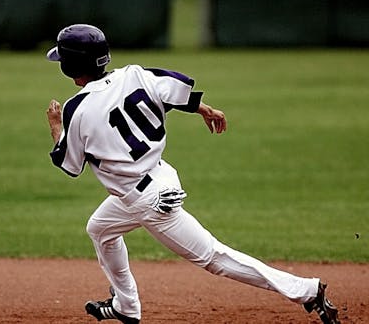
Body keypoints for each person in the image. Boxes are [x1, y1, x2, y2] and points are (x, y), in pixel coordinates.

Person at [44, 23, 340, 324]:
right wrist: (205, 110)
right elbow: (174, 89)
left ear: (69, 66)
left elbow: (69, 164)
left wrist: (57, 127)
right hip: (155, 179)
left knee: (214, 258)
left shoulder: (75, 108)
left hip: (147, 201)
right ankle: (126, 306)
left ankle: (306, 290)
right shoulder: (135, 74)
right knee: (100, 230)